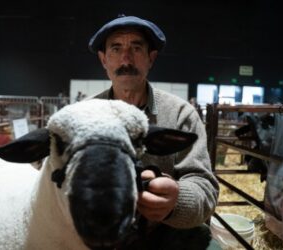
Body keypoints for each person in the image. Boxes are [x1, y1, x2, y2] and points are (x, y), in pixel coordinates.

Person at [88, 15, 220, 249]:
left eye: (136, 48)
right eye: (116, 48)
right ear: (103, 59)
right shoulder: (85, 114)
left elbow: (204, 185)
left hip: (162, 231)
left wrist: (176, 200)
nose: (126, 58)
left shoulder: (181, 114)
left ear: (151, 58)